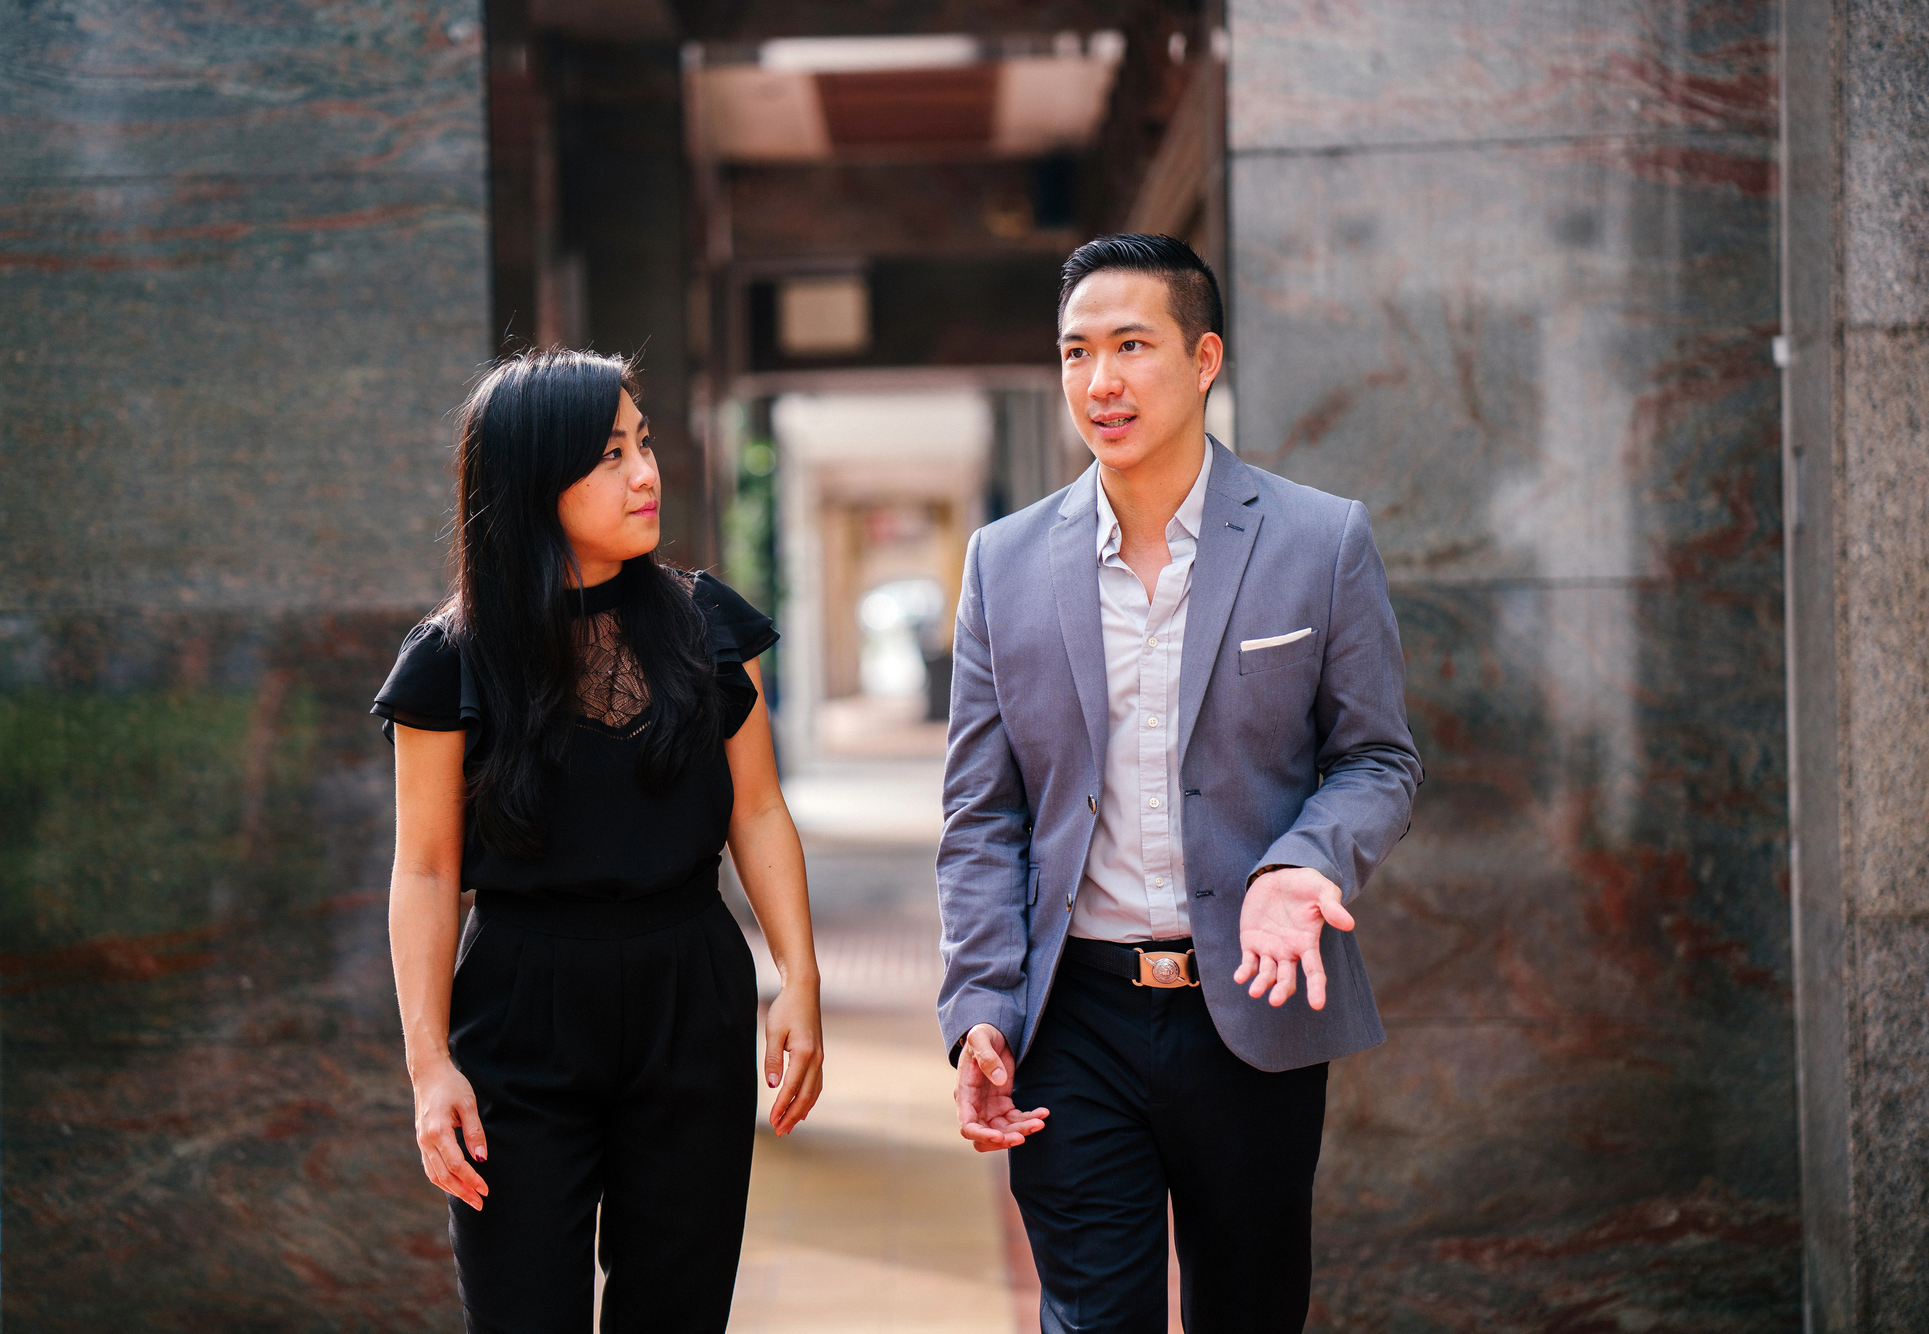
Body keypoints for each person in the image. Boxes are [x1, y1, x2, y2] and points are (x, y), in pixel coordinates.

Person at [937, 234, 1421, 1332]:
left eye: (1128, 345)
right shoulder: (1001, 565)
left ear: (1203, 358)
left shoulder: (1317, 540)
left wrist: (1299, 862)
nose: (1097, 381)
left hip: (1249, 1008)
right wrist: (977, 1004)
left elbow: (1377, 758)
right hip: (1072, 1017)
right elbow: (982, 813)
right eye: (1073, 352)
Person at [376, 350, 823, 1333]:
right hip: (517, 1006)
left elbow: (756, 810)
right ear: (534, 479)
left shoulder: (706, 624)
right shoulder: (447, 662)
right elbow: (424, 867)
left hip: (689, 988)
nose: (646, 473)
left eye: (644, 442)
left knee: (677, 1308)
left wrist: (798, 975)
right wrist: (426, 1064)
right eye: (610, 453)